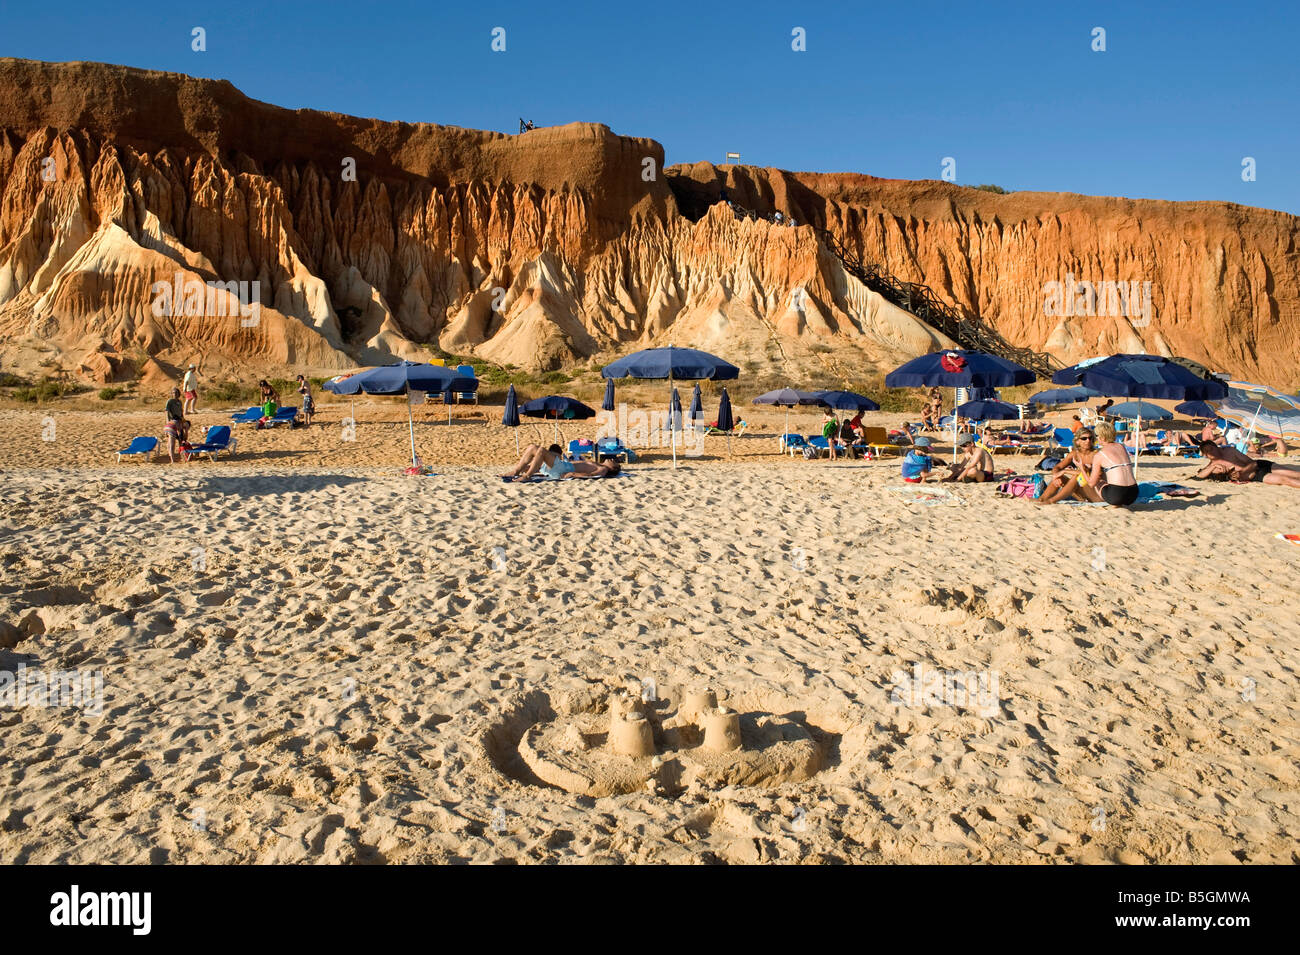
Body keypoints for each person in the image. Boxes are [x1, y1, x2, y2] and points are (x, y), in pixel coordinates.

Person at [1195, 442, 1300, 488]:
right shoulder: (1212, 466)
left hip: (1261, 465)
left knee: (1294, 474)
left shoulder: (1230, 452)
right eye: (1207, 451)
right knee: (1285, 480)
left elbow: (1253, 463)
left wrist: (1241, 472)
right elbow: (1199, 476)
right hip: (1257, 476)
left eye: (1211, 449)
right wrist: (1213, 466)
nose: (1210, 452)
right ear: (1205, 455)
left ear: (1216, 447)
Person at [1036, 429, 1100, 503]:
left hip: (1094, 492)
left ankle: (1051, 501)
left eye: (1090, 438)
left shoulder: (1096, 455)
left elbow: (1085, 473)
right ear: (1077, 441)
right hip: (1081, 492)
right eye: (1084, 438)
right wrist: (1056, 476)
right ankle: (1041, 499)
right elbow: (1057, 467)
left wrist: (1064, 471)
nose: (1088, 441)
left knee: (1076, 477)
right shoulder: (1074, 454)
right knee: (1059, 478)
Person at [1087, 422, 1138, 506]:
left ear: (1102, 437)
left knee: (1098, 482)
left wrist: (1081, 467)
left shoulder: (1099, 455)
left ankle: (1109, 503)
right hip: (1133, 493)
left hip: (1116, 495)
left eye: (1096, 435)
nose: (1096, 438)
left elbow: (1091, 483)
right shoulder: (1121, 447)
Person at [164, 388, 186, 463]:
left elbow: (181, 412)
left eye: (176, 392)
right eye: (173, 393)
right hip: (172, 422)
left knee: (181, 439)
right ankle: (172, 459)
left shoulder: (179, 402)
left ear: (179, 394)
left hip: (179, 422)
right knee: (171, 442)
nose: (175, 394)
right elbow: (166, 412)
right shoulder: (170, 401)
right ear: (171, 394)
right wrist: (167, 422)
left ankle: (181, 456)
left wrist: (183, 420)